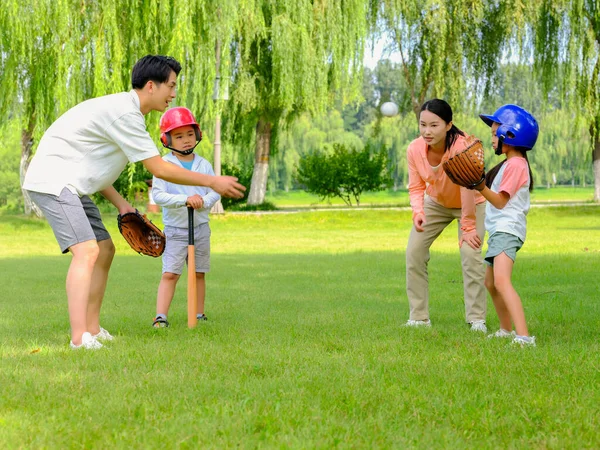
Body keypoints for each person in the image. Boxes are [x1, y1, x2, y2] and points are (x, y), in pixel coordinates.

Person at [23, 55, 245, 350]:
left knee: (104, 249)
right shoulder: (125, 115)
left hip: (73, 184)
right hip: (53, 181)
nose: (174, 94)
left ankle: (93, 328)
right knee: (87, 250)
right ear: (151, 86)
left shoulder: (128, 114)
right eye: (171, 85)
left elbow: (94, 166)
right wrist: (212, 181)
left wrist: (121, 204)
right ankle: (79, 338)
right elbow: (159, 168)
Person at [405, 99, 487, 331]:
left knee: (470, 253)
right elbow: (415, 186)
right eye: (423, 125)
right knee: (414, 252)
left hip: (470, 202)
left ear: (448, 125)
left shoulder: (461, 147)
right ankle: (419, 318)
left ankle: (477, 319)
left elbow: (468, 188)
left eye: (434, 125)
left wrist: (468, 227)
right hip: (437, 202)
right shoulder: (414, 149)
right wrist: (418, 211)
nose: (427, 131)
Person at [474, 104, 539, 346]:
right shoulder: (510, 164)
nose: (491, 139)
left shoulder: (516, 165)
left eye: (494, 133)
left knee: (501, 281)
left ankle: (524, 337)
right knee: (490, 282)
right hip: (499, 230)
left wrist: (480, 186)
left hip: (507, 229)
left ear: (510, 135)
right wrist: (478, 188)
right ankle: (505, 329)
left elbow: (500, 202)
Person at [151, 107, 219, 328]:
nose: (186, 140)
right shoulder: (164, 166)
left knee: (199, 273)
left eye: (190, 134)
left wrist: (203, 201)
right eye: (179, 136)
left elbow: (215, 189)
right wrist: (184, 200)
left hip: (200, 228)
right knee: (170, 273)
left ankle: (199, 314)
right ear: (167, 139)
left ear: (197, 135)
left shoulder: (204, 164)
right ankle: (161, 316)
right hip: (176, 230)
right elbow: (158, 195)